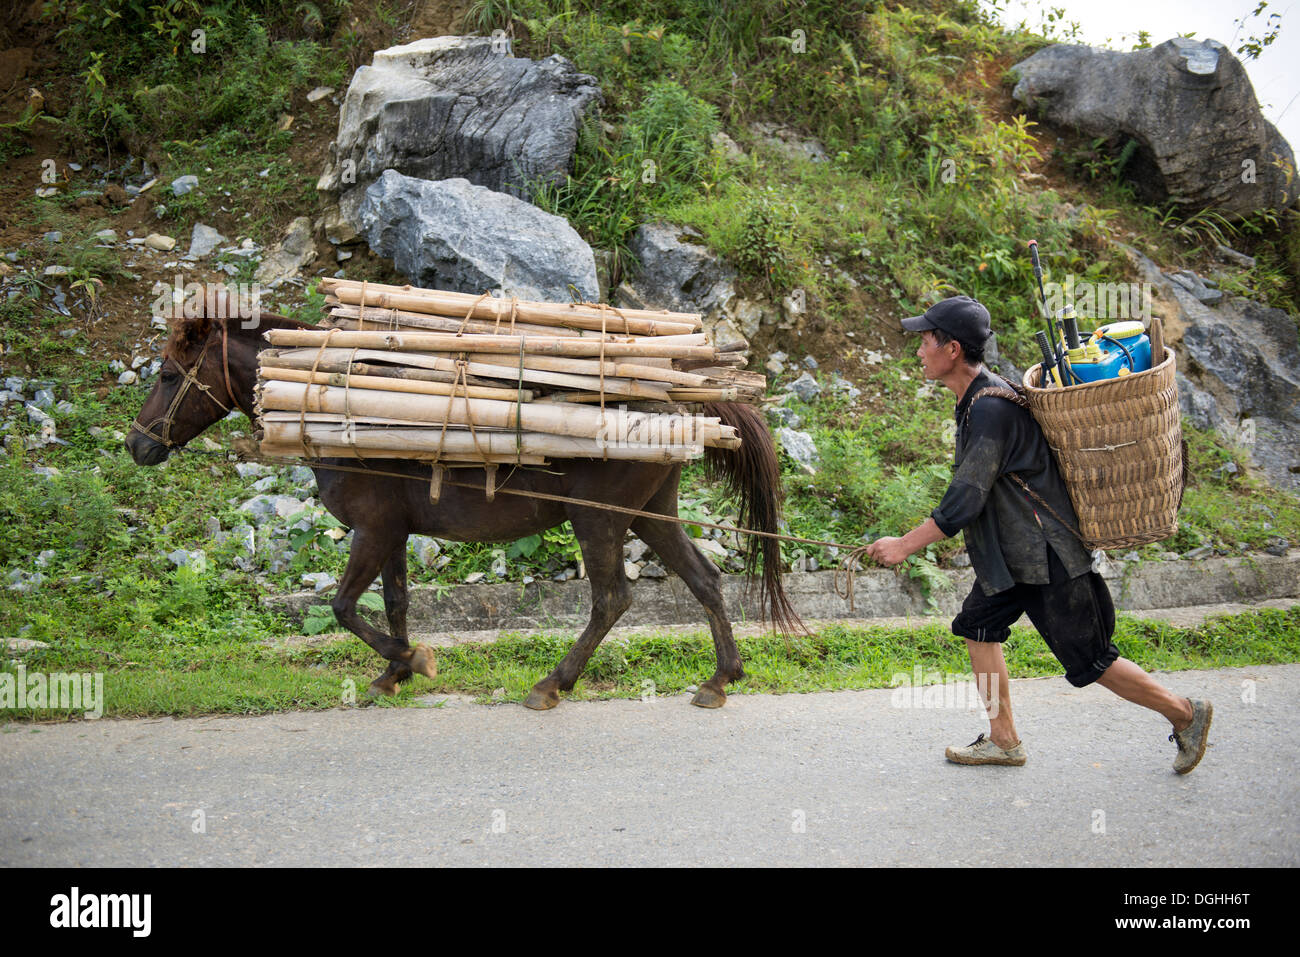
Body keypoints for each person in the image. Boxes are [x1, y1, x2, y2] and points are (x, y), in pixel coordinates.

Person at [866, 295, 1212, 773]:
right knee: (977, 627)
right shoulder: (977, 400)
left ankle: (1185, 713)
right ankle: (1004, 740)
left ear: (951, 349)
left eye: (926, 340)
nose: (919, 350)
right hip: (1010, 560)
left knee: (1092, 661)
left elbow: (965, 499)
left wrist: (904, 545)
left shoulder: (990, 410)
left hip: (1046, 557)